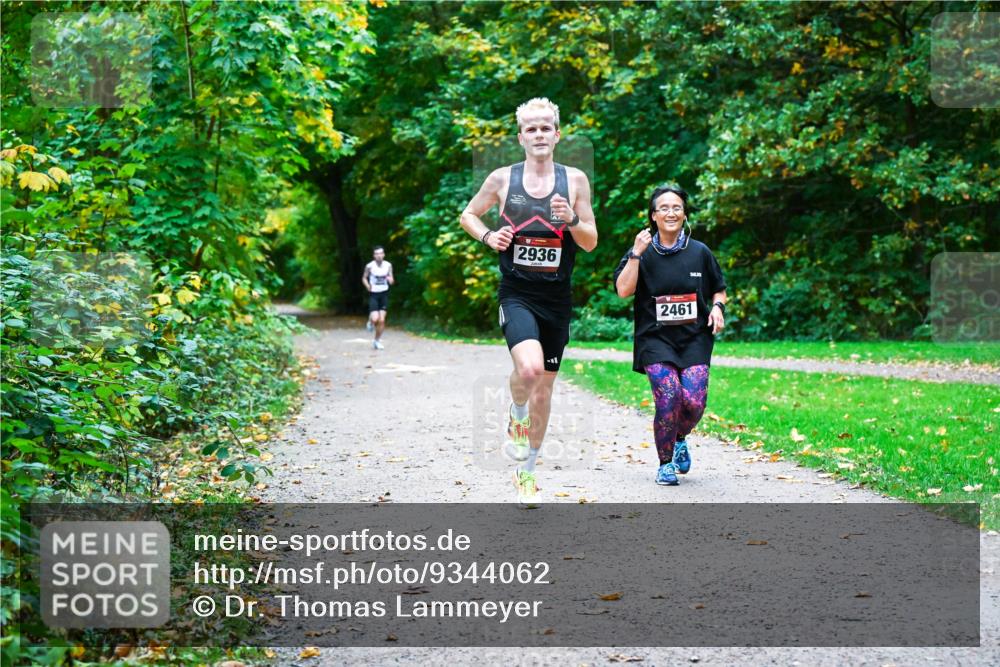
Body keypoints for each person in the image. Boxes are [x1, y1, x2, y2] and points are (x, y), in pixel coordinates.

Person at [460, 98, 598, 507]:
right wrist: (489, 236)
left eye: (545, 128)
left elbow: (590, 243)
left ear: (557, 134)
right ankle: (516, 413)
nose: (539, 134)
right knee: (530, 369)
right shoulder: (502, 179)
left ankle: (527, 470)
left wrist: (571, 220)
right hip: (517, 293)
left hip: (557, 298)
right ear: (521, 137)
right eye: (531, 129)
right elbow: (468, 215)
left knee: (545, 387)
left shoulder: (574, 181)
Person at [613, 184, 727, 486]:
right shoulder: (642, 251)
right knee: (669, 398)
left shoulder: (700, 252)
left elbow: (719, 288)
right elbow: (623, 291)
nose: (671, 212)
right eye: (663, 208)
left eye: (676, 207)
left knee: (693, 402)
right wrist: (636, 253)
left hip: (694, 338)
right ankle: (665, 464)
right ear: (653, 216)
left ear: (684, 214)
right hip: (656, 339)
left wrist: (717, 308)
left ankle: (678, 438)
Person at [362, 246, 394, 350]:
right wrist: (367, 286)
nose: (379, 255)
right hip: (374, 294)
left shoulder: (388, 265)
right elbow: (364, 278)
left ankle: (377, 341)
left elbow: (392, 280)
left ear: (384, 254)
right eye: (376, 254)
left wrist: (390, 280)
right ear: (374, 255)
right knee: (375, 319)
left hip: (384, 294)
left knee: (382, 320)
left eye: (381, 253)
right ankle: (370, 322)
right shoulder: (369, 266)